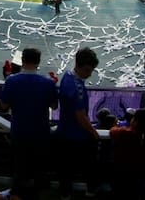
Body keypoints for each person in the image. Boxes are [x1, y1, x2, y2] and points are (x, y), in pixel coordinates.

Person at [0, 48, 59, 200]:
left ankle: (17, 193)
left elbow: (4, 106)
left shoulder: (11, 80)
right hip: (40, 132)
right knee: (39, 167)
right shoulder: (47, 83)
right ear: (38, 62)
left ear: (22, 60)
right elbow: (54, 106)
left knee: (19, 167)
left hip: (19, 131)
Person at [54, 47, 100, 199]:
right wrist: (93, 132)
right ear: (81, 66)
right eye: (88, 70)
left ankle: (65, 194)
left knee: (65, 170)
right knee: (88, 166)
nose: (89, 74)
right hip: (77, 136)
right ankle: (90, 191)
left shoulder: (67, 76)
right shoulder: (77, 87)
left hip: (63, 132)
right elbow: (80, 116)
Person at [109, 108, 145, 197]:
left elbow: (112, 131)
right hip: (143, 170)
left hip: (123, 169)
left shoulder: (124, 132)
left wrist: (115, 124)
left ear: (136, 121)